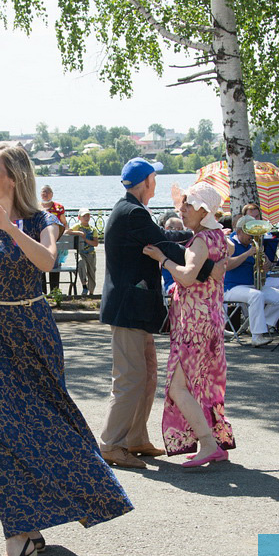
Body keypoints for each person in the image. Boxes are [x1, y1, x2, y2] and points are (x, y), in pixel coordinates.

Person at [0, 141, 132, 556]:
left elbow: (47, 260)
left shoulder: (41, 219)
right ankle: (20, 537)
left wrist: (9, 228)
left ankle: (63, 507)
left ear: (12, 176)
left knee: (49, 422)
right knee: (0, 430)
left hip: (32, 331)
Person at [99, 158, 220, 469]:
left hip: (135, 309)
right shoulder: (132, 212)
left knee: (147, 376)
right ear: (147, 182)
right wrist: (208, 266)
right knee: (131, 378)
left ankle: (134, 438)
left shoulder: (132, 211)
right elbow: (165, 242)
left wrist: (201, 245)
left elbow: (169, 239)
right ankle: (111, 443)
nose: (157, 182)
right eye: (154, 177)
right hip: (128, 309)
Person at [143, 183, 235, 466]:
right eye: (182, 206)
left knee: (177, 387)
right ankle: (217, 440)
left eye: (188, 206)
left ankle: (208, 443)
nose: (182, 210)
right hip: (212, 317)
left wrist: (163, 260)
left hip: (195, 321)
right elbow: (227, 251)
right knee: (204, 383)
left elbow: (186, 276)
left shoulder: (200, 241)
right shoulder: (219, 236)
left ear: (203, 210)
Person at [223, 219, 279, 346]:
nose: (252, 237)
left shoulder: (252, 246)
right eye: (249, 233)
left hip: (251, 286)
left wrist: (265, 266)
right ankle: (257, 336)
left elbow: (261, 274)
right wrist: (247, 254)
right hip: (232, 287)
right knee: (256, 295)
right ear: (239, 231)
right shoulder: (231, 243)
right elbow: (227, 265)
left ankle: (263, 326)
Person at [65, 208, 98, 296]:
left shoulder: (93, 229)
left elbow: (95, 243)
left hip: (91, 254)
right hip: (81, 252)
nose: (86, 218)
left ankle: (91, 292)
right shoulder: (77, 226)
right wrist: (78, 232)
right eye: (84, 216)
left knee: (92, 272)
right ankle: (84, 285)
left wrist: (85, 239)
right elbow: (67, 232)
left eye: (88, 216)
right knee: (81, 264)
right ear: (79, 217)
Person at [40, 185, 67, 291]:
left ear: (52, 194)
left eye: (47, 192)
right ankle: (43, 292)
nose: (44, 194)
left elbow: (64, 224)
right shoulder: (36, 207)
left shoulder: (58, 208)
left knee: (54, 266)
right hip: (41, 242)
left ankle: (54, 291)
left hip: (55, 243)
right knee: (41, 266)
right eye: (43, 192)